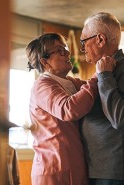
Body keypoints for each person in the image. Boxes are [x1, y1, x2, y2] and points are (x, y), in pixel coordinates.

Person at [26, 32, 98, 185]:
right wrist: (98, 75)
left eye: (65, 48)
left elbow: (92, 91)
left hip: (72, 165)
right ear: (45, 62)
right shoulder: (43, 85)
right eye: (59, 50)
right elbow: (68, 109)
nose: (67, 52)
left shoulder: (71, 82)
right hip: (54, 169)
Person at [80, 12, 124, 185]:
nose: (82, 48)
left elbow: (121, 119)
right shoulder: (104, 68)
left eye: (84, 41)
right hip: (101, 170)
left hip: (114, 173)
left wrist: (105, 76)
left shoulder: (117, 70)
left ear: (100, 39)